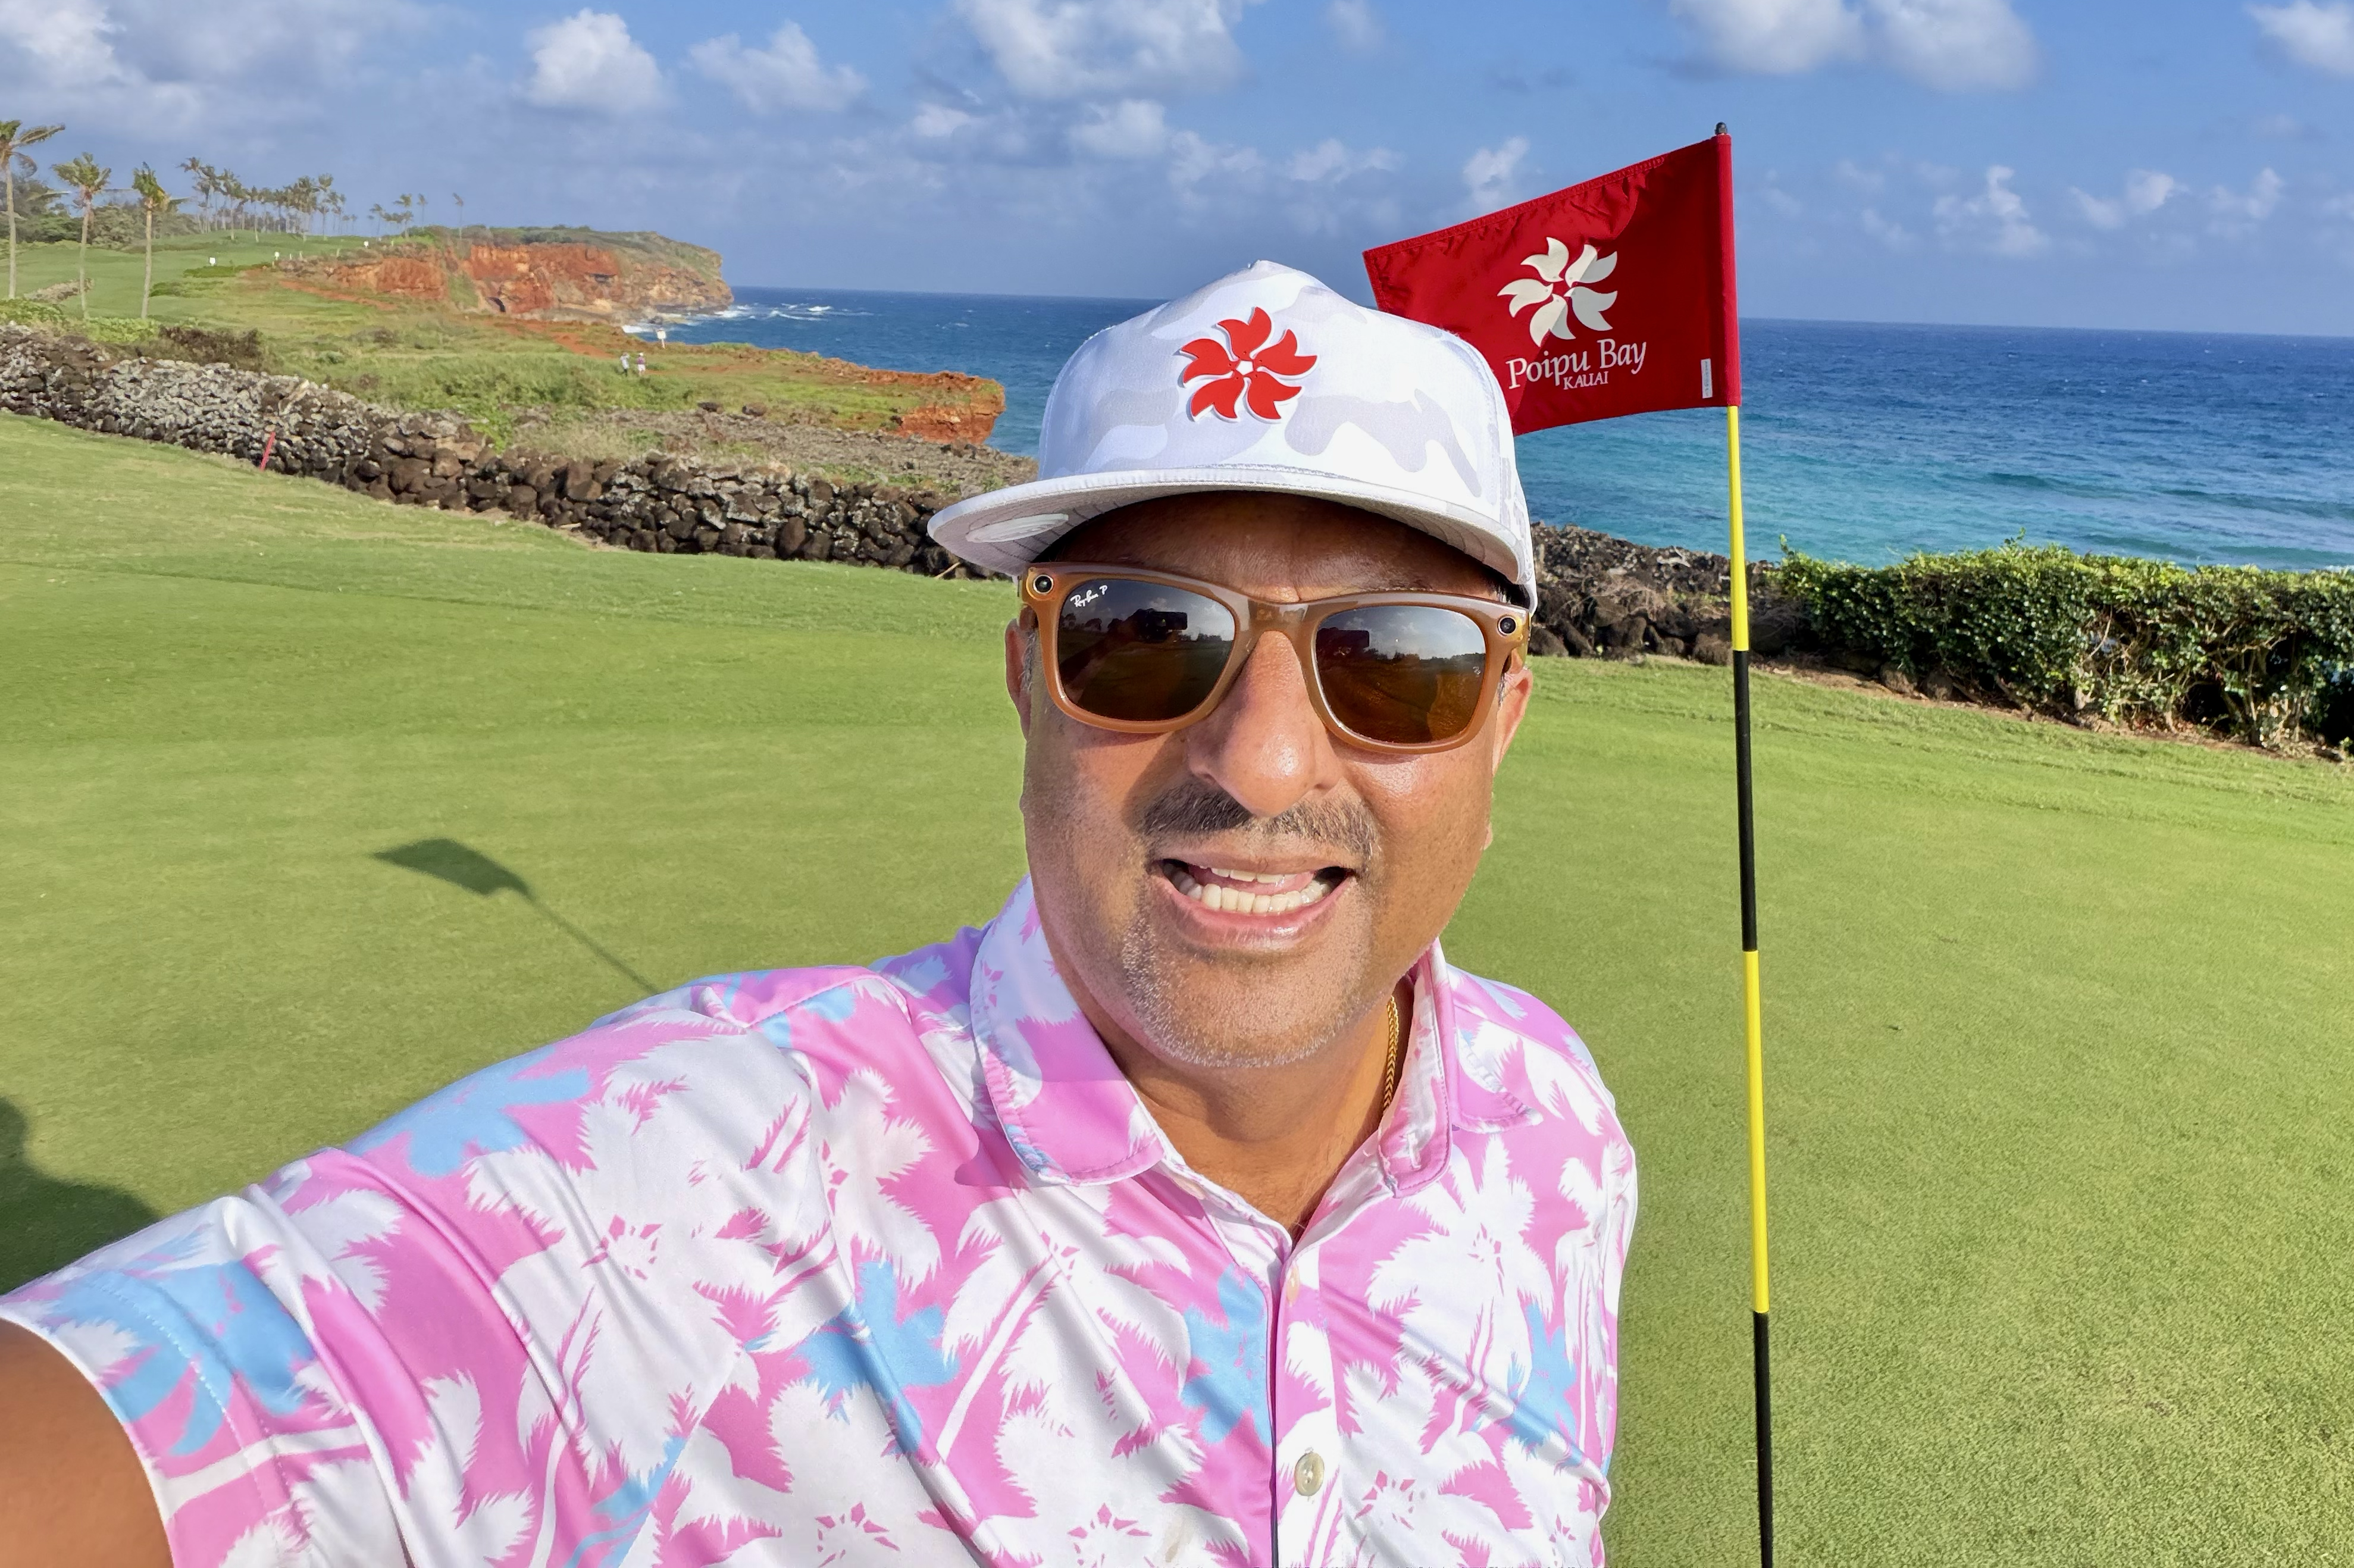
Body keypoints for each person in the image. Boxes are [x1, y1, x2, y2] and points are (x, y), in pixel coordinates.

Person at [0, 262, 1635, 1567]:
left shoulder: (1557, 1124)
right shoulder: (696, 1164)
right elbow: (142, 1418)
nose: (1263, 759)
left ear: (1502, 719)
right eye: (1145, 637)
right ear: (1029, 681)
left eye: (1396, 658)